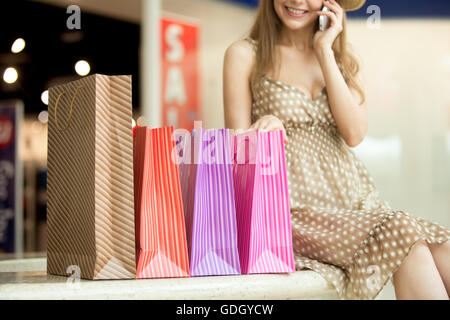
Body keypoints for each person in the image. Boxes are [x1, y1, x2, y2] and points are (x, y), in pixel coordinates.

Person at [222, 0, 450, 300]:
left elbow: (354, 133)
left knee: (442, 248)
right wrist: (265, 126)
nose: (297, 1)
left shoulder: (341, 60)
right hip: (290, 209)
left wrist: (325, 51)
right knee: (404, 236)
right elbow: (236, 151)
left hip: (354, 203)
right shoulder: (244, 54)